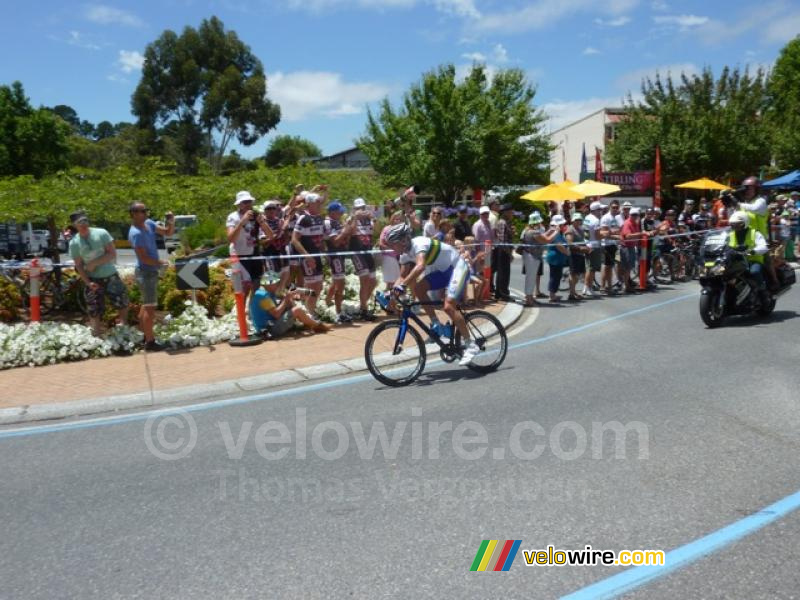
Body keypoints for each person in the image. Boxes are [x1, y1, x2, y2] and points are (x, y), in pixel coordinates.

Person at [383, 223, 481, 366]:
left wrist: (402, 286)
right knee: (418, 289)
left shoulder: (419, 244)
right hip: (443, 272)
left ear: (403, 241)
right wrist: (393, 293)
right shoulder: (404, 255)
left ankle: (470, 344)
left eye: (393, 244)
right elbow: (402, 277)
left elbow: (420, 266)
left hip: (457, 268)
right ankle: (436, 325)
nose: (392, 248)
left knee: (448, 307)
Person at [68, 211, 129, 336]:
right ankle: (96, 334)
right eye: (80, 222)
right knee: (93, 307)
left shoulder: (101, 233)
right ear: (74, 225)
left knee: (121, 302)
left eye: (85, 220)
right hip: (92, 279)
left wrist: (94, 263)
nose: (84, 224)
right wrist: (88, 282)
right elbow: (79, 265)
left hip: (110, 275)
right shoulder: (74, 243)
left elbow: (112, 254)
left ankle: (123, 330)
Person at [128, 201, 174, 352]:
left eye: (146, 210)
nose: (146, 213)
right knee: (150, 308)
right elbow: (144, 258)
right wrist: (161, 262)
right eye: (143, 211)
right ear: (134, 214)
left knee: (146, 306)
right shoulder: (136, 233)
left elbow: (168, 232)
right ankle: (150, 341)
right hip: (145, 272)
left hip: (150, 271)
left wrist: (170, 220)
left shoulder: (148, 223)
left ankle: (144, 335)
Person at [227, 190, 273, 307]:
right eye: (245, 202)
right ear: (239, 204)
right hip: (240, 255)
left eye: (249, 201)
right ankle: (240, 312)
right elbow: (231, 238)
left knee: (257, 285)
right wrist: (242, 222)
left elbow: (270, 235)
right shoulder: (233, 217)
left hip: (255, 253)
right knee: (245, 287)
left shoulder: (256, 215)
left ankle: (252, 310)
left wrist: (262, 223)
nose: (248, 204)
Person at [738, 176, 779, 290]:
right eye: (745, 188)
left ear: (756, 189)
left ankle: (774, 282)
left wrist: (737, 203)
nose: (746, 190)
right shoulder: (743, 203)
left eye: (749, 188)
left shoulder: (760, 201)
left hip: (760, 237)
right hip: (744, 237)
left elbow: (754, 208)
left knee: (766, 260)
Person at [250, 281, 330, 338]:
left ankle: (308, 323)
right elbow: (276, 314)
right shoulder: (263, 296)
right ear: (269, 284)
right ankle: (317, 325)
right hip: (269, 330)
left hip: (267, 327)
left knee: (289, 304)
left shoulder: (262, 293)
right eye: (276, 283)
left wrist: (287, 299)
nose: (278, 284)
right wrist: (286, 299)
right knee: (297, 310)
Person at [292, 192, 326, 314]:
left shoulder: (318, 217)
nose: (320, 205)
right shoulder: (303, 218)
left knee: (319, 286)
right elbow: (294, 240)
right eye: (317, 203)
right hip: (307, 256)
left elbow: (320, 239)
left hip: (317, 255)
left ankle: (309, 310)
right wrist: (307, 256)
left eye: (320, 203)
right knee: (312, 287)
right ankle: (308, 312)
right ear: (310, 204)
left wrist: (325, 252)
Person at [323, 201, 355, 323]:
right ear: (332, 212)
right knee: (340, 283)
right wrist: (345, 230)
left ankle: (327, 303)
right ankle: (338, 312)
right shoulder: (328, 222)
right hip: (334, 255)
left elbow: (345, 238)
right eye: (339, 212)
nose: (341, 214)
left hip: (340, 254)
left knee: (336, 282)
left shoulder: (336, 222)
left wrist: (349, 227)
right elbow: (335, 241)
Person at [348, 197, 378, 321]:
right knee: (364, 279)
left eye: (363, 208)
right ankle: (364, 309)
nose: (361, 210)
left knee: (373, 281)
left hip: (368, 251)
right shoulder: (351, 219)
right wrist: (355, 217)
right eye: (359, 208)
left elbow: (377, 231)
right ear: (354, 209)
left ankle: (362, 305)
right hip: (356, 252)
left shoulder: (369, 219)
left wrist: (373, 218)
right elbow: (350, 232)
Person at [520, 212, 557, 306]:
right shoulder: (533, 232)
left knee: (530, 277)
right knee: (531, 278)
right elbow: (546, 240)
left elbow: (543, 236)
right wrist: (556, 232)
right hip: (532, 256)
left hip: (530, 256)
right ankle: (529, 299)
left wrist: (550, 231)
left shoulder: (529, 230)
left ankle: (530, 297)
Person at [728, 211, 768, 290]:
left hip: (753, 260)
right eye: (733, 224)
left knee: (755, 272)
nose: (735, 226)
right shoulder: (730, 234)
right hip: (737, 261)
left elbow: (764, 246)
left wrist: (753, 251)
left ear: (745, 223)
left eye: (738, 224)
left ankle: (763, 292)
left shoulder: (755, 233)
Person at [261, 199, 290, 292]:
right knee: (273, 275)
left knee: (285, 271)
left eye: (273, 208)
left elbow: (286, 239)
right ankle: (271, 294)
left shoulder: (279, 220)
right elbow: (264, 242)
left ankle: (280, 292)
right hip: (269, 251)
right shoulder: (262, 223)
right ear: (264, 210)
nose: (271, 210)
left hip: (281, 250)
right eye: (268, 208)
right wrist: (280, 230)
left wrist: (285, 229)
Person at [620, 207, 649, 293]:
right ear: (630, 215)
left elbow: (636, 234)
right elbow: (628, 236)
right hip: (626, 247)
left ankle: (626, 284)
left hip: (631, 247)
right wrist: (641, 233)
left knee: (629, 267)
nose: (635, 217)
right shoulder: (627, 223)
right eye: (633, 215)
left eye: (636, 215)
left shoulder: (635, 223)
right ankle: (626, 285)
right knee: (627, 267)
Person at [544, 215, 570, 303]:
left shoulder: (556, 232)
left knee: (555, 276)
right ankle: (552, 295)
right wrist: (567, 253)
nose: (564, 225)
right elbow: (558, 245)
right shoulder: (556, 233)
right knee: (555, 276)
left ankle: (553, 294)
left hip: (557, 258)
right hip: (556, 258)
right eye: (562, 224)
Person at [582, 201, 605, 297]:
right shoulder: (595, 220)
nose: (601, 211)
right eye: (600, 210)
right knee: (591, 269)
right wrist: (605, 235)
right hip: (594, 246)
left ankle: (587, 287)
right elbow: (597, 236)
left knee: (589, 268)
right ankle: (587, 288)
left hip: (587, 244)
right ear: (596, 210)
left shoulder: (587, 218)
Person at [565, 211, 590, 301]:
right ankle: (571, 294)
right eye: (577, 220)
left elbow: (583, 240)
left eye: (580, 219)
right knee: (573, 274)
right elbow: (569, 243)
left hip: (580, 254)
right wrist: (581, 248)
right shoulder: (570, 230)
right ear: (573, 220)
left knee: (578, 274)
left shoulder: (580, 229)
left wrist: (586, 247)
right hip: (573, 255)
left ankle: (573, 291)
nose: (579, 221)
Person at [599, 199, 622, 294]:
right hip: (607, 245)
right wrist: (617, 236)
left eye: (617, 207)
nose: (615, 209)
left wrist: (617, 236)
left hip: (615, 244)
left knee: (612, 265)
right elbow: (604, 233)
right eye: (613, 207)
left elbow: (619, 229)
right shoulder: (606, 218)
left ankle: (609, 286)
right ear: (610, 207)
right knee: (606, 266)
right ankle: (602, 287)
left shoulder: (617, 217)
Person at [493, 203, 515, 301]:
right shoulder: (502, 222)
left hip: (505, 249)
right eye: (510, 211)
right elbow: (502, 239)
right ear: (506, 212)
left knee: (503, 272)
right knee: (503, 273)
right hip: (503, 250)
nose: (512, 213)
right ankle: (503, 294)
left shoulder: (507, 222)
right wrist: (509, 253)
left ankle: (499, 293)